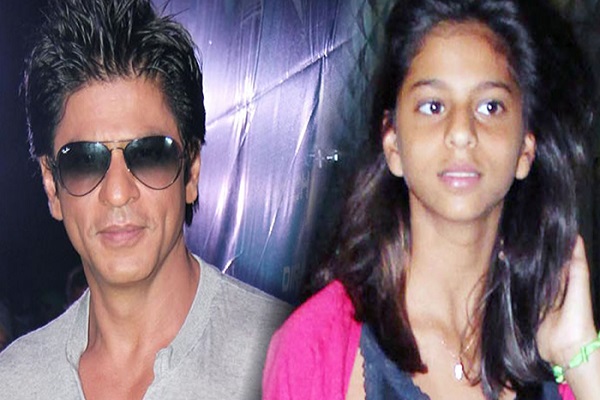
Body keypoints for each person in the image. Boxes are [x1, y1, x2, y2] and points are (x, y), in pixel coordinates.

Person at [263, 0, 599, 399]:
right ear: (393, 143)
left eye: (490, 106)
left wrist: (580, 357)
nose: (461, 132)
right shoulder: (316, 345)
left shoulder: (558, 346)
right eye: (433, 106)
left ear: (526, 148)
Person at [0, 0, 290, 398]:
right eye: (84, 161)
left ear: (191, 170)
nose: (118, 192)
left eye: (150, 154)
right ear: (52, 185)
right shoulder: (13, 382)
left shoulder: (292, 360)